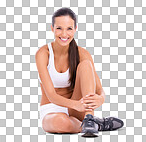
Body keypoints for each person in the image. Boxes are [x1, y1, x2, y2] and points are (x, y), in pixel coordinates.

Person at [35, 7, 124, 136]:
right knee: (61, 123)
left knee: (86, 65)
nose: (64, 34)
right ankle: (95, 125)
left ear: (75, 29)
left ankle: (89, 118)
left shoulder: (82, 53)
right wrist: (77, 105)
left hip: (78, 109)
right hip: (52, 110)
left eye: (69, 28)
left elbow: (99, 90)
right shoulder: (43, 54)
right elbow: (51, 95)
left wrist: (101, 99)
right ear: (52, 28)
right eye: (59, 28)